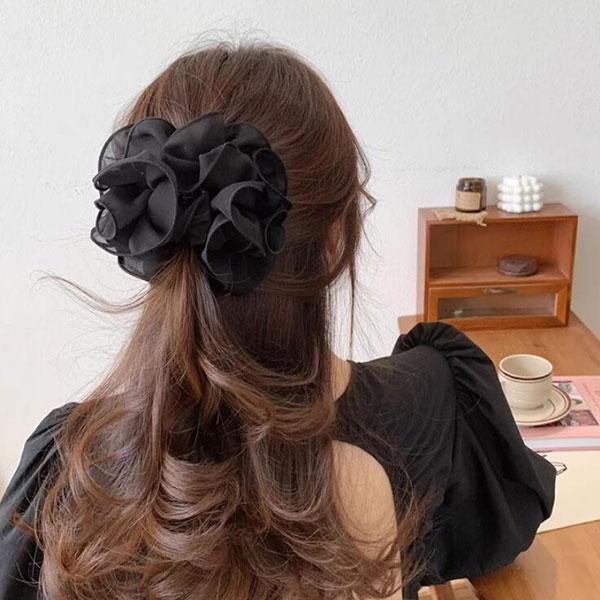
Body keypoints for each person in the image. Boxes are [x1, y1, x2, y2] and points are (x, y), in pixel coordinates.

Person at [0, 40, 555, 600]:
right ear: (336, 240)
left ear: (147, 235)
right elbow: (509, 525)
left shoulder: (66, 472)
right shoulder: (433, 400)